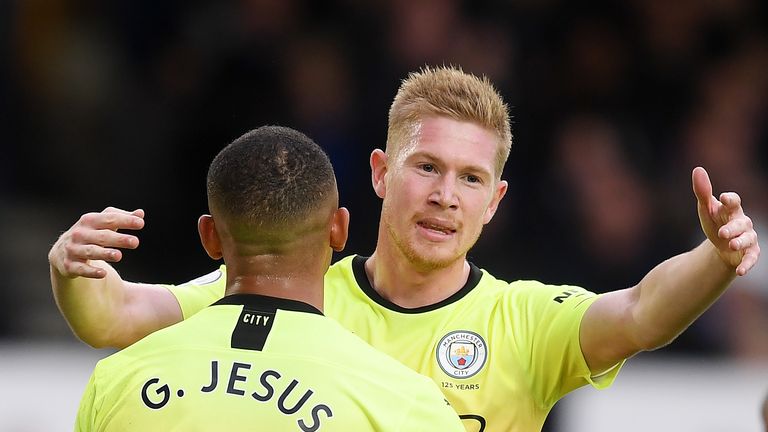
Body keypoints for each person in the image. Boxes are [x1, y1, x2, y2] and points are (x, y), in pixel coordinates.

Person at [51, 66, 761, 432]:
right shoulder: (292, 293)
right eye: (427, 168)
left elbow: (639, 312)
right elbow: (114, 319)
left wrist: (716, 259)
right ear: (381, 174)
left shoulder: (522, 322)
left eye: (470, 178)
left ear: (496, 201)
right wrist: (71, 267)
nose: (446, 194)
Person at [70, 126, 465, 431]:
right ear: (339, 230)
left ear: (209, 237)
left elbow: (110, 313)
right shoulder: (407, 403)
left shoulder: (117, 380)